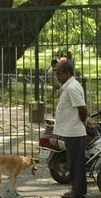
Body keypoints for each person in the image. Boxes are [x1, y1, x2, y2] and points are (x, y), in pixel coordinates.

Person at [54, 61, 88, 198]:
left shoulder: (72, 88)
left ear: (67, 73)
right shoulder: (69, 86)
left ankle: (77, 193)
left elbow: (82, 108)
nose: (57, 76)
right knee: (76, 163)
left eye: (59, 73)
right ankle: (79, 191)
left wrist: (83, 121)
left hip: (74, 132)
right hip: (72, 131)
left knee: (75, 164)